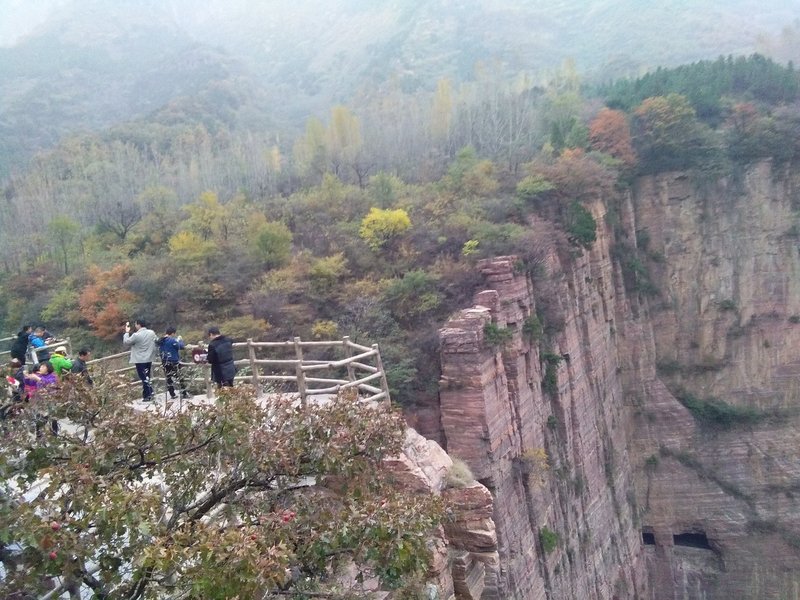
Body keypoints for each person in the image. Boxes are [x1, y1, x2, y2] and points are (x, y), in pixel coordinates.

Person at [122, 318, 158, 402]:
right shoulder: (151, 333)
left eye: (135, 324)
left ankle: (148, 395)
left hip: (139, 359)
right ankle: (150, 393)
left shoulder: (136, 335)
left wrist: (127, 332)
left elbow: (126, 342)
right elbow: (156, 341)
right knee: (147, 376)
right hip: (149, 358)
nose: (135, 326)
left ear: (138, 324)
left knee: (143, 377)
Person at [158, 326, 188, 400]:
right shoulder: (172, 340)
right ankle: (184, 393)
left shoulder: (161, 340)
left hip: (164, 361)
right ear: (172, 333)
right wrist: (180, 340)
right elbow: (181, 346)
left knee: (168, 378)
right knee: (180, 377)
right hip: (173, 361)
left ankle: (172, 394)